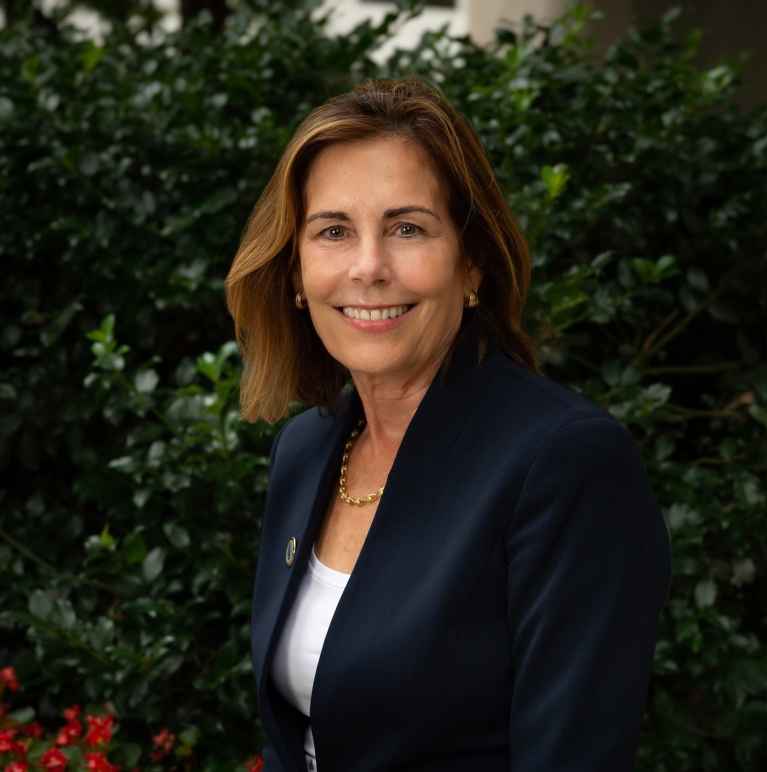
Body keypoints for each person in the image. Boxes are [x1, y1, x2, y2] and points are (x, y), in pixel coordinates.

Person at [225, 78, 671, 772]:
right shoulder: (306, 448)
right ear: (295, 268)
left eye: (407, 228)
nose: (368, 268)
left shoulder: (563, 463)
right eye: (334, 231)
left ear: (471, 264)